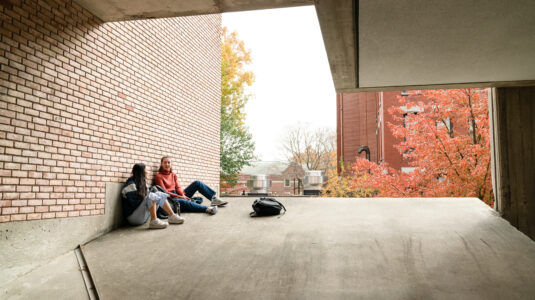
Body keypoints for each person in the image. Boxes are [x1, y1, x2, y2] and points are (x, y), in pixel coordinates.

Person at [153, 157, 227, 215]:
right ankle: (208, 209)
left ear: (171, 164)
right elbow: (165, 192)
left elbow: (178, 187)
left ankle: (214, 200)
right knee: (183, 202)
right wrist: (182, 197)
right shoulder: (158, 176)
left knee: (197, 183)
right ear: (161, 164)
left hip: (178, 194)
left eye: (168, 162)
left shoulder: (173, 175)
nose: (167, 164)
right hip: (170, 199)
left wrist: (182, 194)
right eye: (165, 162)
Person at [122, 163, 185, 229]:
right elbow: (134, 204)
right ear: (141, 173)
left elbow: (146, 199)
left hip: (142, 216)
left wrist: (151, 198)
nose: (148, 172)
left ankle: (172, 216)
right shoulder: (130, 185)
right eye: (146, 171)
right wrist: (148, 198)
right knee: (151, 195)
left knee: (158, 194)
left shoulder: (142, 184)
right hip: (133, 218)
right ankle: (154, 221)